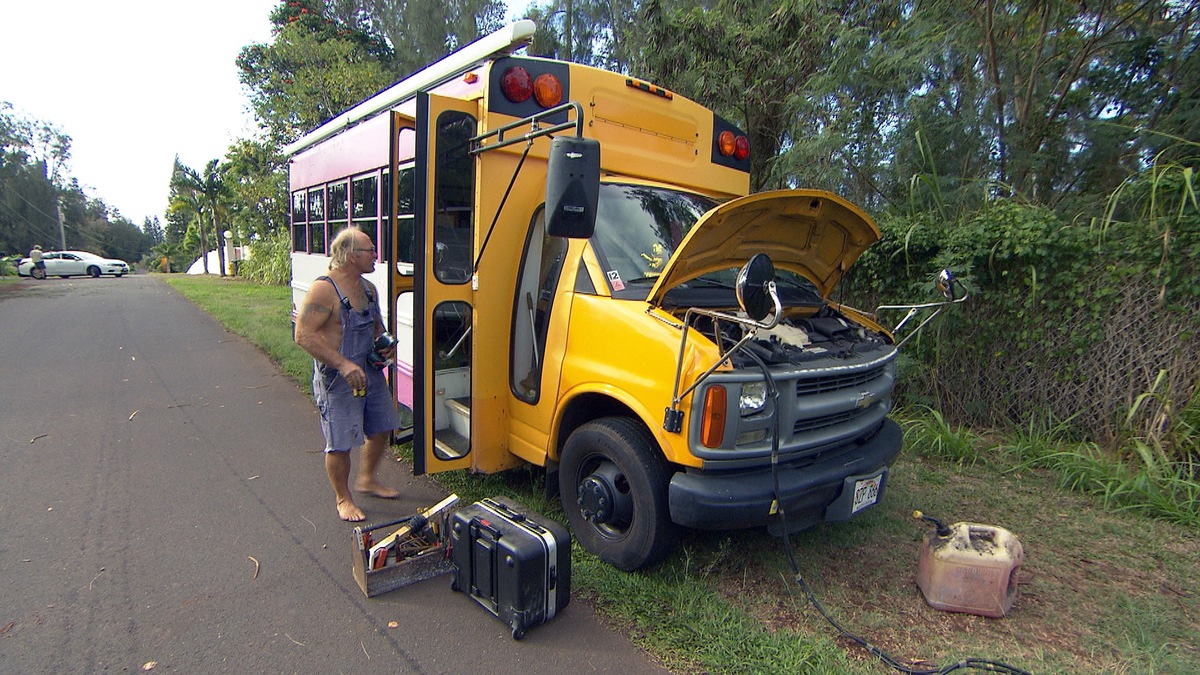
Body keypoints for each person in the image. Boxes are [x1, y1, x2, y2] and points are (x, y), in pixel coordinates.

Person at [294, 228, 401, 521]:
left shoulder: (368, 289)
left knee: (382, 426)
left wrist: (385, 343)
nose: (376, 255)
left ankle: (367, 479)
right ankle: (343, 499)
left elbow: (376, 325)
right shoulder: (324, 289)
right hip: (337, 377)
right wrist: (343, 364)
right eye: (371, 250)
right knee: (339, 442)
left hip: (368, 371)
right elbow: (303, 334)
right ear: (352, 255)